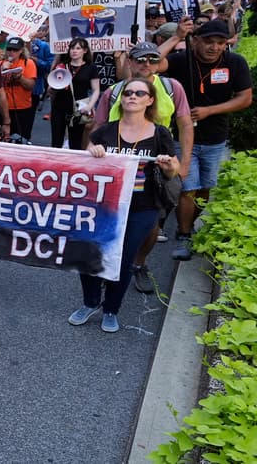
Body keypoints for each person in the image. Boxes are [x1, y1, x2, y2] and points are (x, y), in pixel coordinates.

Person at [70, 77, 180, 333]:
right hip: (103, 205)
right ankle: (90, 302)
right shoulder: (106, 130)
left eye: (139, 93)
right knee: (90, 253)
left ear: (150, 100)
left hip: (142, 208)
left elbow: (173, 169)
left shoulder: (160, 133)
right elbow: (88, 155)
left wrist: (168, 165)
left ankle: (111, 309)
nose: (132, 96)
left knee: (124, 258)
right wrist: (93, 152)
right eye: (128, 92)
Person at [93, 41, 193, 293]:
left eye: (152, 59)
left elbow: (184, 124)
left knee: (151, 225)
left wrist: (183, 164)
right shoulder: (113, 92)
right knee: (111, 221)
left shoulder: (172, 88)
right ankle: (111, 265)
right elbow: (97, 129)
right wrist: (90, 157)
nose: (146, 64)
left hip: (155, 172)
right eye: (140, 59)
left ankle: (138, 264)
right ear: (130, 61)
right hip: (115, 171)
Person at [158, 19, 252, 260]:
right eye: (209, 41)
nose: (215, 47)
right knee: (188, 188)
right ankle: (184, 234)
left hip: (216, 137)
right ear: (196, 40)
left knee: (204, 188)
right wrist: (177, 36)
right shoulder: (182, 59)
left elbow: (245, 98)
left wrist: (211, 110)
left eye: (221, 43)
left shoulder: (235, 62)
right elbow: (151, 63)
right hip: (182, 137)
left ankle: (189, 224)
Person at [47, 37, 100, 150]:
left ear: (85, 51)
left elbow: (96, 90)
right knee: (56, 141)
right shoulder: (62, 66)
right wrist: (52, 88)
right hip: (59, 107)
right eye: (72, 48)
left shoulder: (91, 67)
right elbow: (51, 87)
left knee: (75, 143)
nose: (74, 51)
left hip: (78, 109)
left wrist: (90, 106)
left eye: (78, 48)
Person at [0, 37, 38, 140]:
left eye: (15, 50)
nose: (11, 52)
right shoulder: (0, 63)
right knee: (3, 138)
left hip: (22, 108)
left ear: (21, 50)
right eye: (9, 49)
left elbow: (30, 85)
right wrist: (1, 69)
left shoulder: (28, 63)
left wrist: (20, 78)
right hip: (2, 108)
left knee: (22, 138)